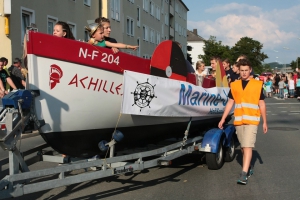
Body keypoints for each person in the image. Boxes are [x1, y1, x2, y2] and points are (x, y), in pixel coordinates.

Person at [218, 58, 267, 185]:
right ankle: (249, 166)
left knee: (247, 145)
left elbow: (261, 104)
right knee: (243, 149)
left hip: (252, 120)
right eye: (242, 70)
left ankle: (243, 173)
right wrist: (223, 118)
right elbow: (230, 103)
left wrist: (265, 122)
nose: (244, 73)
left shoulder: (257, 85)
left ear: (250, 70)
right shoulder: (234, 85)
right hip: (239, 121)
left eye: (246, 70)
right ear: (238, 71)